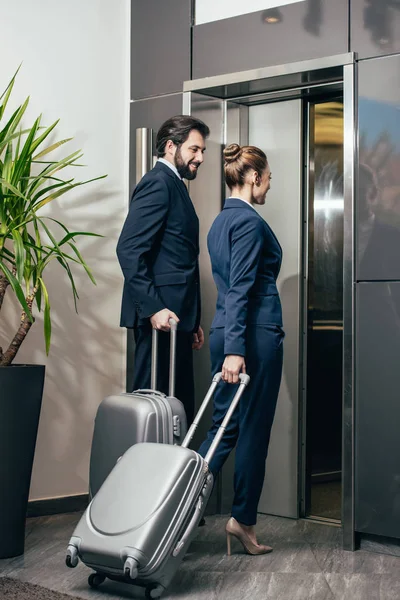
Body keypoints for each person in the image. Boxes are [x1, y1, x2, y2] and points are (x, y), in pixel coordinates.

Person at [198, 143, 284, 555]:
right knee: (251, 429)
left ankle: (176, 507)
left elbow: (230, 288)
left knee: (222, 429)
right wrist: (237, 350)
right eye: (267, 177)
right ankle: (242, 521)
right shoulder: (250, 223)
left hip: (228, 332)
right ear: (253, 177)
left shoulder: (219, 222)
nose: (269, 184)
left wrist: (229, 344)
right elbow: (244, 287)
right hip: (252, 336)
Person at [116, 115, 210, 425]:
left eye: (202, 151)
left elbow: (173, 255)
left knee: (176, 413)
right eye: (194, 149)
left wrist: (192, 318)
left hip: (177, 320)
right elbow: (129, 248)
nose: (200, 158)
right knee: (152, 412)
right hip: (160, 321)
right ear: (171, 146)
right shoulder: (158, 183)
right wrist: (154, 308)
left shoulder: (175, 185)